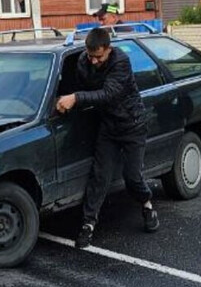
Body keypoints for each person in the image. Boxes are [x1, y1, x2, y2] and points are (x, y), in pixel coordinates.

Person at [56, 28, 158, 248]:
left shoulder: (121, 61)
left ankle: (147, 205)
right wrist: (61, 98)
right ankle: (88, 224)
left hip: (132, 124)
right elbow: (75, 85)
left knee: (132, 177)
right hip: (108, 127)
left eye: (98, 57)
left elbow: (108, 94)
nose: (93, 61)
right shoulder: (84, 60)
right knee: (99, 176)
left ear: (108, 50)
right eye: (90, 56)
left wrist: (75, 98)